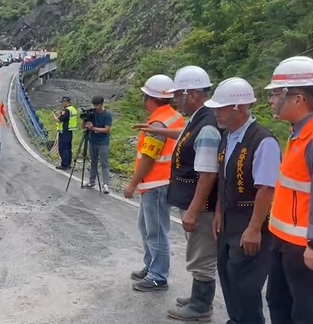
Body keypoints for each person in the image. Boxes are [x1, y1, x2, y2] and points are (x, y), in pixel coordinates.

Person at [135, 66, 221, 320]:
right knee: (196, 251)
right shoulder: (200, 118)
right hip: (189, 197)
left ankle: (201, 306)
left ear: (191, 94)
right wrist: (156, 131)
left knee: (201, 254)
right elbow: (183, 135)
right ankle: (197, 298)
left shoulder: (206, 124)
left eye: (179, 95)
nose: (176, 100)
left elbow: (207, 174)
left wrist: (193, 210)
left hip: (199, 202)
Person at [204, 77, 280, 324]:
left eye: (221, 108)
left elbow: (266, 189)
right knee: (229, 278)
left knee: (246, 287)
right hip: (228, 223)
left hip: (249, 226)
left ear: (238, 108)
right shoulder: (228, 137)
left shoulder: (262, 141)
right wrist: (217, 212)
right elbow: (224, 180)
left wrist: (255, 229)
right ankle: (235, 320)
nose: (217, 113)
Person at [264, 56, 313, 324]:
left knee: (306, 312)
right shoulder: (299, 132)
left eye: (277, 95)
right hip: (283, 240)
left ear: (298, 99)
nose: (272, 101)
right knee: (278, 301)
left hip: (304, 247)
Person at [127, 74, 185, 292]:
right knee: (146, 227)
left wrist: (132, 184)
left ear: (149, 98)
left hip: (156, 184)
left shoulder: (158, 124)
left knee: (156, 231)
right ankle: (151, 265)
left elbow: (149, 159)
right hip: (158, 183)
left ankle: (158, 275)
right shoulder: (173, 116)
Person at [84, 95, 113, 193]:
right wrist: (85, 120)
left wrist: (94, 128)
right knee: (93, 162)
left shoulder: (107, 115)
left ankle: (106, 184)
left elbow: (107, 129)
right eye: (94, 105)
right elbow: (83, 127)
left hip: (103, 142)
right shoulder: (92, 113)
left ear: (101, 104)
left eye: (97, 105)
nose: (95, 107)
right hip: (92, 140)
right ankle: (92, 181)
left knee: (104, 163)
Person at [52, 96, 78, 169]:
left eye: (63, 102)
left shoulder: (67, 110)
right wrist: (59, 114)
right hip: (69, 131)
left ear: (66, 102)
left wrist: (54, 115)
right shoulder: (72, 109)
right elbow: (65, 118)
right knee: (68, 148)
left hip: (64, 131)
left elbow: (59, 120)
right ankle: (68, 164)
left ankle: (64, 164)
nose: (62, 104)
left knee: (63, 148)